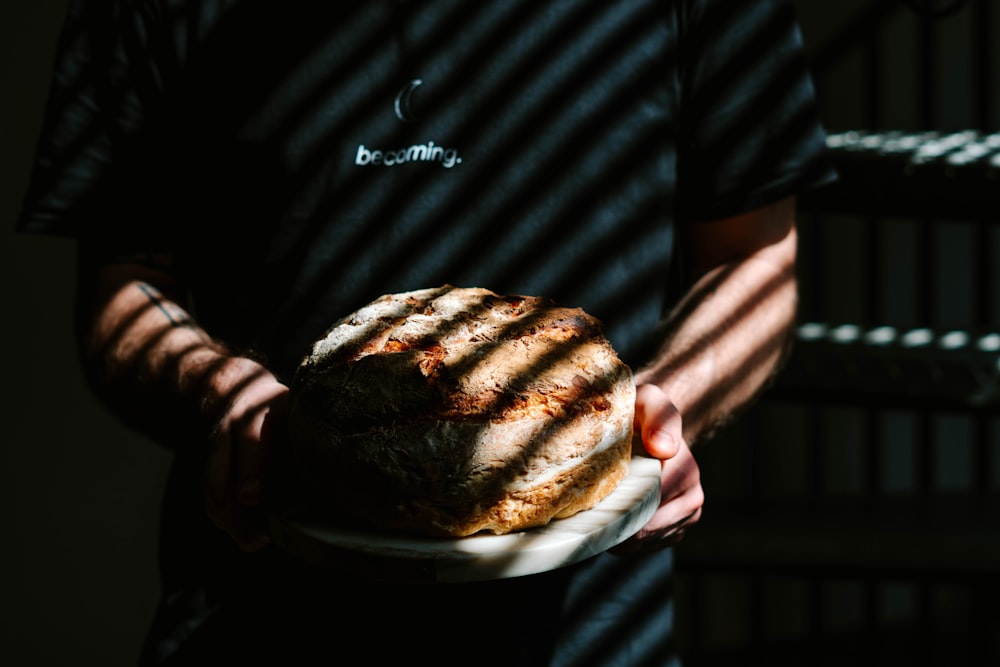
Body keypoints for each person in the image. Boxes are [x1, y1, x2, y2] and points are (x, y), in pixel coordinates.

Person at [18, 1, 835, 664]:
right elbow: (125, 283)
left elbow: (754, 261)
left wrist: (659, 403)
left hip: (582, 626)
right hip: (253, 610)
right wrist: (216, 389)